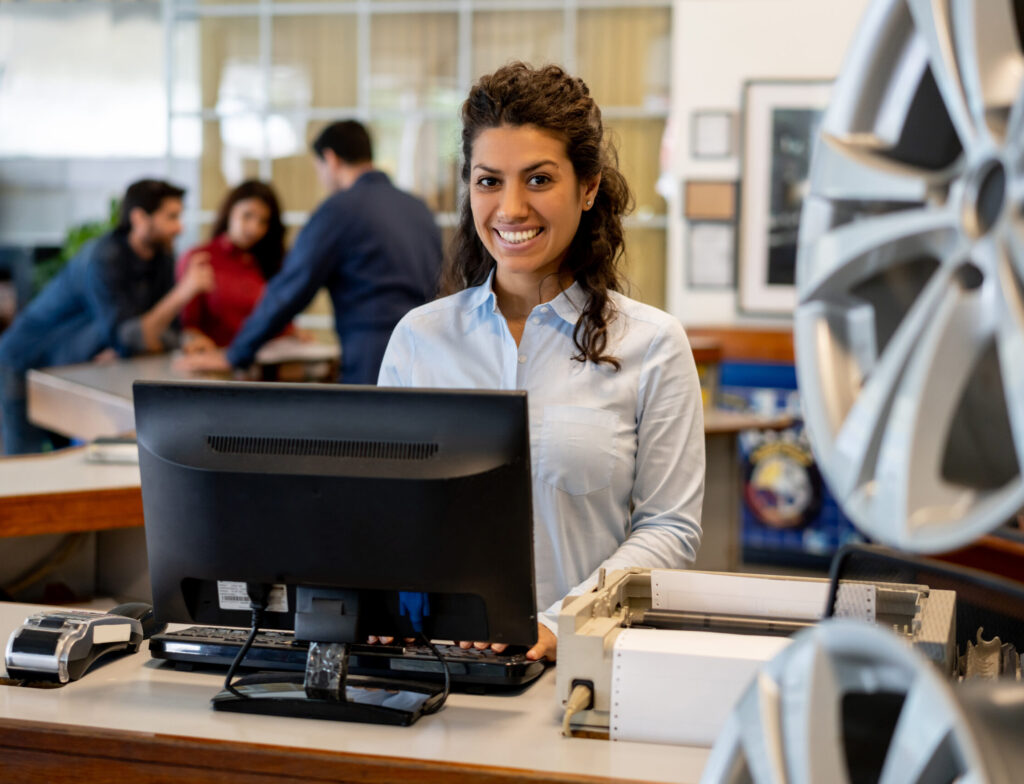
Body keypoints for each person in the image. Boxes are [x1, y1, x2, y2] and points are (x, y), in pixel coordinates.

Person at [378, 63, 705, 662]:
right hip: (431, 668)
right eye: (487, 181)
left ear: (587, 187)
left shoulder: (653, 344)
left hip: (581, 663)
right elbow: (387, 514)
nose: (510, 208)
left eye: (538, 179)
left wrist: (560, 624)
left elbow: (669, 530)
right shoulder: (418, 339)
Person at [178, 120, 443, 384]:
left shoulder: (340, 210)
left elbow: (291, 288)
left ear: (330, 159)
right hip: (429, 356)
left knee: (368, 426)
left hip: (372, 359)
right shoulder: (419, 209)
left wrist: (235, 355)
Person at [0, 179, 213, 455]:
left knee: (69, 462)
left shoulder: (161, 260)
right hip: (25, 362)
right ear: (139, 218)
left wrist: (179, 339)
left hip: (71, 371)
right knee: (27, 466)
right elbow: (130, 339)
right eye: (171, 217)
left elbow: (160, 334)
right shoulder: (104, 257)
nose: (180, 227)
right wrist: (184, 293)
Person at [176, 180, 287, 347]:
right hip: (213, 362)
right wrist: (195, 341)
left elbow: (275, 318)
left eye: (263, 221)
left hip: (263, 361)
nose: (254, 228)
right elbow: (186, 326)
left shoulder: (267, 262)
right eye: (247, 215)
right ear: (230, 211)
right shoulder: (200, 259)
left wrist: (292, 333)